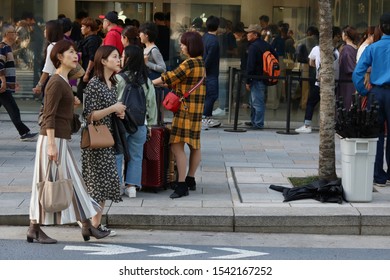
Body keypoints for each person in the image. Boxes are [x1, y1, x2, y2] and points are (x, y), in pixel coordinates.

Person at [27, 39, 110, 244]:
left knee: (73, 184)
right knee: (45, 184)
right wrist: (52, 145)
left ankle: (86, 226)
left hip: (59, 140)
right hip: (52, 141)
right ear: (59, 57)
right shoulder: (56, 82)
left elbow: (79, 72)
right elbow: (49, 116)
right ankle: (35, 228)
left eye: (76, 52)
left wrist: (71, 103)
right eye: (71, 53)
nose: (76, 56)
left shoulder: (63, 81)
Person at [152, 31, 206, 199]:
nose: (181, 46)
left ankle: (181, 185)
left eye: (183, 43)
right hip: (196, 110)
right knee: (194, 145)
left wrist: (148, 83)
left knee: (176, 146)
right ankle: (190, 179)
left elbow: (170, 77)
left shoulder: (189, 63)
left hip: (184, 110)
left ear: (191, 45)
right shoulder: (201, 63)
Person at [81, 45, 126, 236]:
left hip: (107, 139)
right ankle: (90, 225)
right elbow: (89, 116)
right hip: (95, 141)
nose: (118, 60)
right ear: (103, 61)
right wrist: (113, 108)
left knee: (105, 184)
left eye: (119, 57)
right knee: (96, 185)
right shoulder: (94, 84)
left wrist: (119, 112)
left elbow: (109, 110)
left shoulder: (112, 83)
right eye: (115, 57)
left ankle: (95, 225)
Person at [352, 12, 390, 186]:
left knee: (376, 134)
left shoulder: (373, 48)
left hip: (376, 93)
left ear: (380, 28)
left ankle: (378, 176)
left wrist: (364, 91)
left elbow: (358, 73)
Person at [116, 45, 158, 197]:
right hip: (140, 123)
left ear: (128, 59)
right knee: (136, 155)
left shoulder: (118, 78)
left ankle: (117, 185)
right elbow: (151, 105)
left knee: (117, 154)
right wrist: (151, 124)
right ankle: (132, 186)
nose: (120, 58)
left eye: (122, 56)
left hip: (120, 122)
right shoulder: (146, 81)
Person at [295, 28, 340, 134]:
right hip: (332, 83)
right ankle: (327, 126)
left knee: (311, 103)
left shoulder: (316, 49)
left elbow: (311, 62)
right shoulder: (336, 51)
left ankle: (307, 125)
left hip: (319, 82)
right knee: (328, 105)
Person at [0, 24, 37, 141]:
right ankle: (24, 132)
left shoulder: (7, 48)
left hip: (4, 84)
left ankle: (24, 132)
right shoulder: (2, 47)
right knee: (13, 109)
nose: (16, 34)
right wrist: (3, 81)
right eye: (13, 32)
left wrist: (12, 82)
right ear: (7, 35)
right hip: (2, 86)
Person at [244, 24, 278, 130]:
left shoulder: (253, 47)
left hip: (256, 78)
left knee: (257, 102)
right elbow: (275, 57)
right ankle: (254, 121)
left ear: (255, 34)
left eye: (249, 33)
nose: (247, 35)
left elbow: (250, 65)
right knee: (254, 101)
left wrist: (248, 80)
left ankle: (258, 123)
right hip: (264, 77)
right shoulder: (266, 45)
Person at [32, 19, 64, 97]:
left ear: (51, 31)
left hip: (54, 81)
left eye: (46, 29)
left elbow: (47, 69)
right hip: (63, 80)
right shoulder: (63, 44)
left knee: (48, 107)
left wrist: (39, 85)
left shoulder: (52, 46)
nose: (44, 31)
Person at [201, 15, 222, 130]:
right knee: (212, 95)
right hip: (211, 72)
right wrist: (204, 69)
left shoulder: (204, 37)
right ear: (217, 27)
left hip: (205, 72)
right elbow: (209, 58)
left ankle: (205, 117)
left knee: (207, 95)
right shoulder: (214, 41)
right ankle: (206, 117)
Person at [76, 17, 102, 102]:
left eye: (83, 26)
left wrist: (87, 73)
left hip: (90, 71)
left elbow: (92, 58)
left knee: (82, 93)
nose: (81, 28)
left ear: (89, 28)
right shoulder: (87, 39)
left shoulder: (92, 40)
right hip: (86, 69)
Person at [21, 12, 44, 87]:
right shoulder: (34, 29)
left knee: (36, 75)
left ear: (29, 19)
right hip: (35, 56)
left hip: (35, 56)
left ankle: (36, 91)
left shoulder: (35, 29)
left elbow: (38, 43)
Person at [338, 25, 358, 109]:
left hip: (346, 80)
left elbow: (348, 67)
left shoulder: (346, 49)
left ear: (346, 35)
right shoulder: (356, 47)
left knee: (345, 102)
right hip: (354, 80)